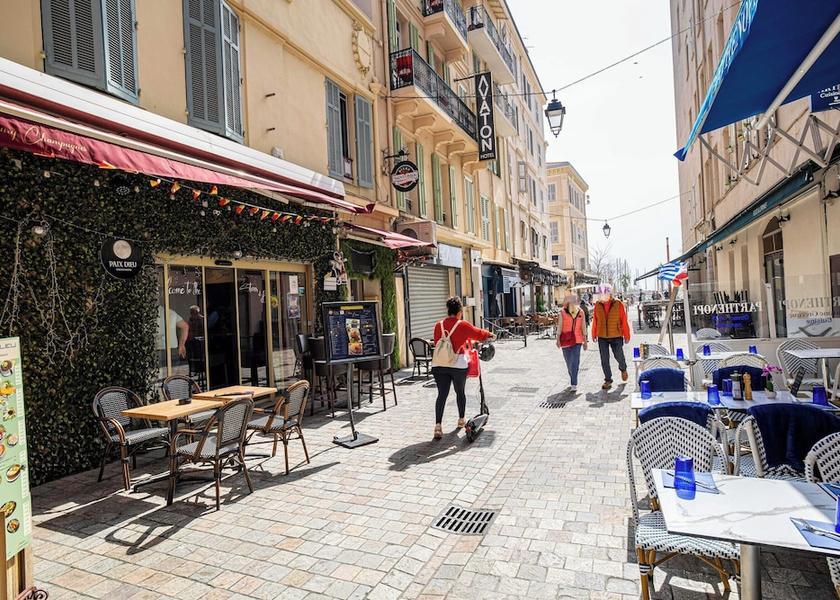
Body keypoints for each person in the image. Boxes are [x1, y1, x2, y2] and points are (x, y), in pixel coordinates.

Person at [431, 297, 494, 440]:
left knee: (442, 395)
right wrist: (490, 334)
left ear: (448, 310)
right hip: (457, 364)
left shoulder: (438, 325)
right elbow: (477, 333)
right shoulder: (462, 325)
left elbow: (437, 342)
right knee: (460, 392)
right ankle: (461, 420)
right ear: (459, 312)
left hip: (439, 364)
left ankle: (438, 426)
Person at [591, 284, 631, 390]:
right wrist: (593, 333)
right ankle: (608, 380)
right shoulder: (597, 305)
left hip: (616, 335)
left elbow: (624, 320)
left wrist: (627, 335)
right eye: (600, 294)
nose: (602, 295)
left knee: (619, 356)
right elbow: (595, 320)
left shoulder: (618, 304)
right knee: (604, 359)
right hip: (602, 336)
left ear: (609, 293)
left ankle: (623, 369)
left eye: (604, 293)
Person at [556, 293, 587, 392]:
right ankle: (573, 376)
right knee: (569, 363)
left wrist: (585, 341)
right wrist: (557, 339)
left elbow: (583, 327)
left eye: (575, 301)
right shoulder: (562, 312)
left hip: (577, 340)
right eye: (572, 301)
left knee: (575, 362)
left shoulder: (580, 312)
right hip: (565, 340)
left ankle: (574, 383)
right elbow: (559, 326)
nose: (574, 302)